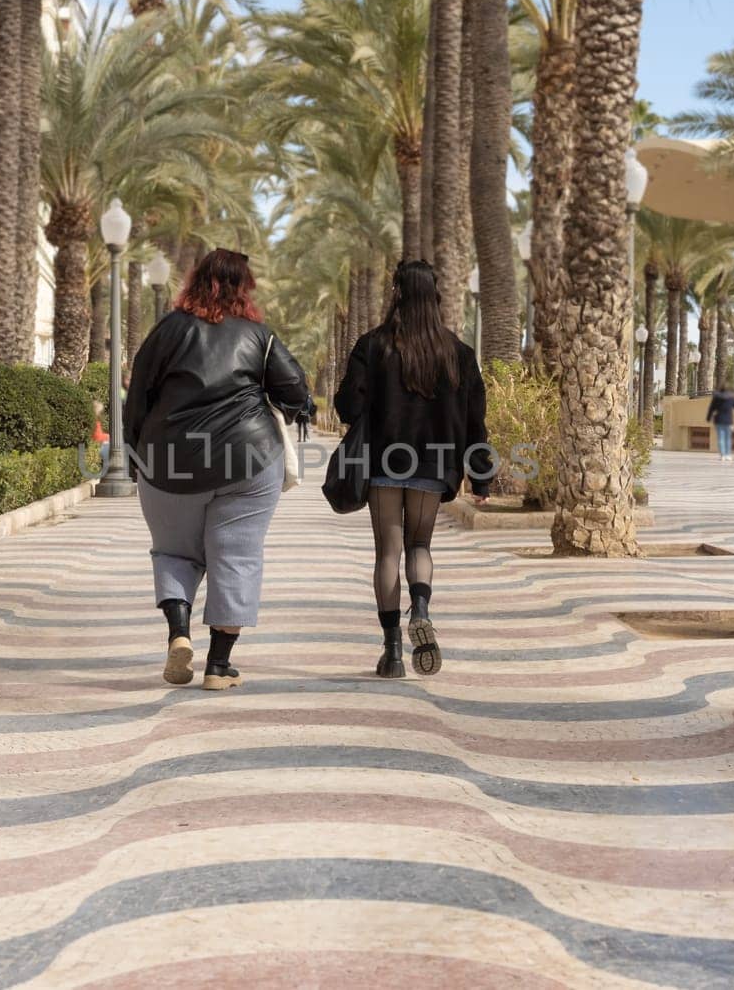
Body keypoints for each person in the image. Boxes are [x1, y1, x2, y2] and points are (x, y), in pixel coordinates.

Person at [125, 249, 311, 691]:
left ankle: (179, 634)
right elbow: (296, 390)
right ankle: (218, 666)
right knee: (237, 555)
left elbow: (138, 397)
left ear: (194, 281)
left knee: (173, 552)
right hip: (248, 460)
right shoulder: (258, 336)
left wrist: (136, 455)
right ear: (244, 287)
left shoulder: (167, 330)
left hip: (168, 463)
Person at [333, 259, 492, 679]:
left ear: (396, 294)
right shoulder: (458, 353)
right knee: (419, 546)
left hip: (384, 461)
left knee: (388, 551)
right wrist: (482, 475)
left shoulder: (373, 345)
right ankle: (420, 607)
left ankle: (393, 655)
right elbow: (476, 421)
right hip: (434, 463)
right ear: (436, 296)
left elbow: (347, 407)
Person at [706, 387, 734, 463]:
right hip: (728, 421)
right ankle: (728, 455)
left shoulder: (716, 398)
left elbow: (711, 408)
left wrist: (708, 418)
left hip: (719, 420)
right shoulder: (731, 398)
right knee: (728, 438)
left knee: (720, 438)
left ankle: (723, 455)